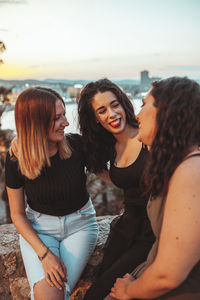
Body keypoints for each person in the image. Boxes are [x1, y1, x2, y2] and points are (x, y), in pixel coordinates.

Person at [109, 76, 200, 300]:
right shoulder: (179, 165)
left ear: (167, 111)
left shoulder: (191, 171)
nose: (137, 115)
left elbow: (167, 275)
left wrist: (129, 290)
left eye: (144, 104)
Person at [5, 87, 98, 300]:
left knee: (55, 292)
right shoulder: (16, 159)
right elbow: (17, 215)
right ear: (35, 123)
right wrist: (45, 254)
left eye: (64, 114)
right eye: (57, 118)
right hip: (40, 230)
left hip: (80, 226)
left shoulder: (76, 146)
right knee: (49, 294)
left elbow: (113, 170)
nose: (66, 122)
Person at [77, 79, 155, 300]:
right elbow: (62, 144)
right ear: (95, 119)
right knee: (100, 287)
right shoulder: (104, 149)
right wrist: (18, 144)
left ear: (124, 103)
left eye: (115, 104)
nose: (111, 114)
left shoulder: (148, 133)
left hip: (152, 232)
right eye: (102, 110)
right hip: (125, 230)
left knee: (98, 293)